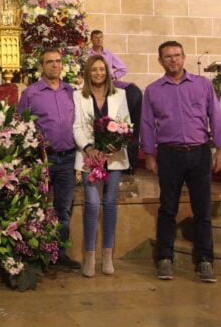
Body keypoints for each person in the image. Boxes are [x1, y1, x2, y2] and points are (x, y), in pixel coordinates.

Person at [141, 40, 221, 283]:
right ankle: (165, 259)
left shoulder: (202, 85)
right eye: (168, 57)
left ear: (184, 57)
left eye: (177, 55)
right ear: (160, 61)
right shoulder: (153, 90)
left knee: (202, 210)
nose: (173, 60)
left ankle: (205, 261)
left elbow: (216, 117)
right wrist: (149, 154)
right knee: (168, 208)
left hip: (199, 152)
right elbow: (147, 124)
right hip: (169, 154)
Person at [17, 48, 82, 272]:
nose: (55, 65)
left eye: (58, 61)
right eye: (49, 62)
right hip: (43, 160)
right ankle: (36, 253)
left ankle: (59, 253)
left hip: (68, 159)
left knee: (63, 209)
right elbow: (20, 125)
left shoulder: (70, 92)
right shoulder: (31, 93)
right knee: (38, 207)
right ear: (41, 66)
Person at [73, 55, 130, 277]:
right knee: (92, 205)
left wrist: (113, 147)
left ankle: (107, 255)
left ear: (107, 71)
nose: (98, 73)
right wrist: (89, 149)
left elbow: (125, 124)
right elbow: (77, 126)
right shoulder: (78, 95)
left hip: (114, 158)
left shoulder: (120, 95)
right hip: (90, 158)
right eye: (94, 70)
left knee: (110, 204)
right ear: (88, 73)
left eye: (102, 69)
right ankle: (90, 256)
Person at [89, 29, 142, 171]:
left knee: (133, 94)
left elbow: (123, 68)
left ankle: (130, 158)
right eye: (96, 38)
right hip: (93, 84)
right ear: (91, 39)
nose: (99, 40)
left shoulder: (109, 54)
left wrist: (112, 74)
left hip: (111, 83)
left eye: (101, 37)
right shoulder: (87, 54)